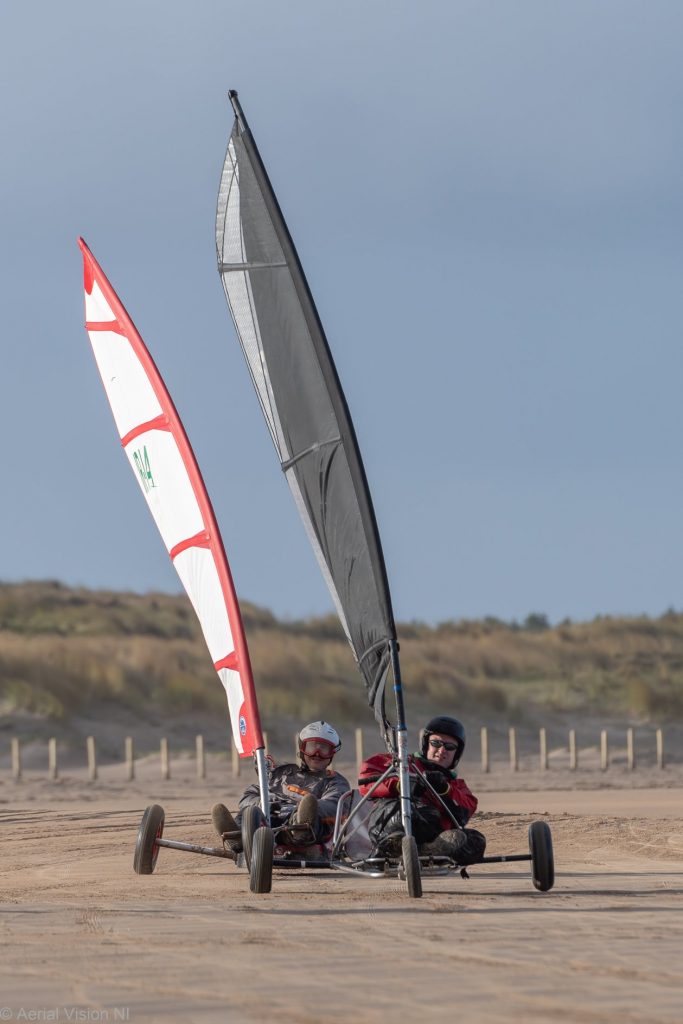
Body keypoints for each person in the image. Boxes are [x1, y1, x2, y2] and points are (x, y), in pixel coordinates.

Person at [358, 715, 486, 864]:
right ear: (426, 744)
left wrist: (445, 790)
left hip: (430, 835)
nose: (442, 750)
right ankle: (394, 848)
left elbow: (467, 808)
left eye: (449, 747)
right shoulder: (402, 764)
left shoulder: (455, 784)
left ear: (457, 753)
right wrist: (400, 785)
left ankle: (425, 852)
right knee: (418, 813)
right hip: (392, 824)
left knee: (475, 841)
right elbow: (366, 781)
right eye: (436, 743)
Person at [212, 720, 349, 852]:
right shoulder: (282, 772)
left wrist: (301, 808)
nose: (317, 754)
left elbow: (334, 806)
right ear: (302, 748)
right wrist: (264, 803)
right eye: (312, 747)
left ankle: (299, 829)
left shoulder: (335, 781)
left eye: (324, 749)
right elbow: (249, 795)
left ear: (332, 753)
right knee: (249, 812)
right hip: (268, 818)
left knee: (307, 816)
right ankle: (237, 837)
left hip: (301, 826)